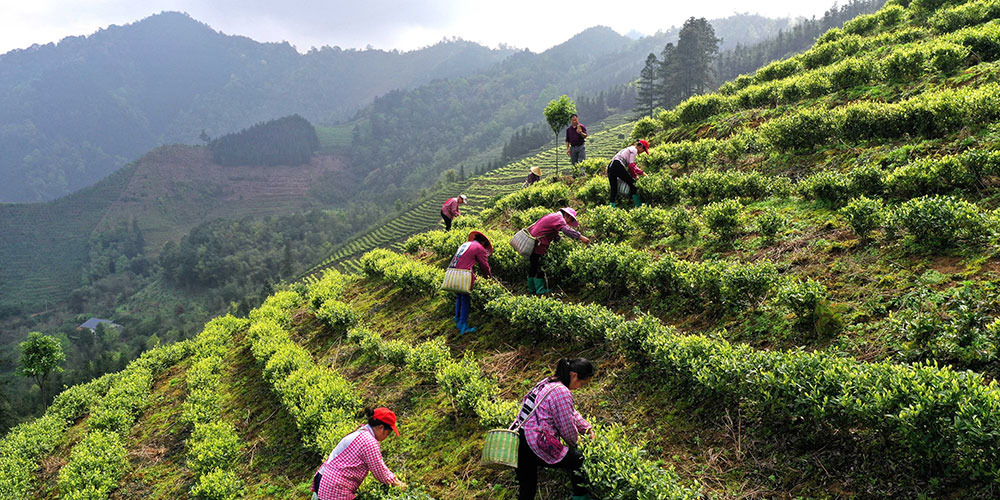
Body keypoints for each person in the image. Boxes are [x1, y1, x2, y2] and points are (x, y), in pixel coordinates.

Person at [512, 358, 596, 500]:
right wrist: (577, 444)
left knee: (527, 488)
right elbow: (567, 427)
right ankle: (581, 497)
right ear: (574, 375)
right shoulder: (561, 391)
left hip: (520, 440)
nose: (579, 387)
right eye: (582, 383)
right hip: (535, 443)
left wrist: (586, 428)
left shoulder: (548, 382)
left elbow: (569, 411)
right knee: (578, 459)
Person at [311, 408, 407, 500]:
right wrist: (398, 484)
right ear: (381, 428)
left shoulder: (361, 433)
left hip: (324, 478)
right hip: (334, 486)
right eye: (388, 433)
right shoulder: (369, 442)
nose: (387, 436)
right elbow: (380, 472)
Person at [527, 208, 590, 294]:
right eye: (570, 220)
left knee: (533, 265)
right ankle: (540, 290)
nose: (568, 223)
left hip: (533, 242)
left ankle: (532, 289)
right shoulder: (558, 218)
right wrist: (581, 237)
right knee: (540, 265)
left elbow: (554, 234)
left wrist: (562, 242)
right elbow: (566, 230)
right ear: (566, 216)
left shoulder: (553, 216)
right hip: (539, 244)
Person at [448, 231, 493, 335]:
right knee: (465, 298)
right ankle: (463, 327)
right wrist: (489, 279)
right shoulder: (479, 248)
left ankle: (457, 319)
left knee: (459, 296)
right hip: (462, 274)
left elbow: (463, 262)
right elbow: (484, 266)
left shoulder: (465, 244)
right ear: (483, 243)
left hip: (452, 272)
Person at [608, 139, 649, 208]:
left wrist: (641, 173)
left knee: (614, 188)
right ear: (641, 147)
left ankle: (612, 208)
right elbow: (630, 166)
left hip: (610, 166)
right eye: (644, 150)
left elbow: (633, 165)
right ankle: (638, 206)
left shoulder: (630, 148)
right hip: (618, 165)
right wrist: (635, 176)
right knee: (633, 184)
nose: (643, 152)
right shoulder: (634, 150)